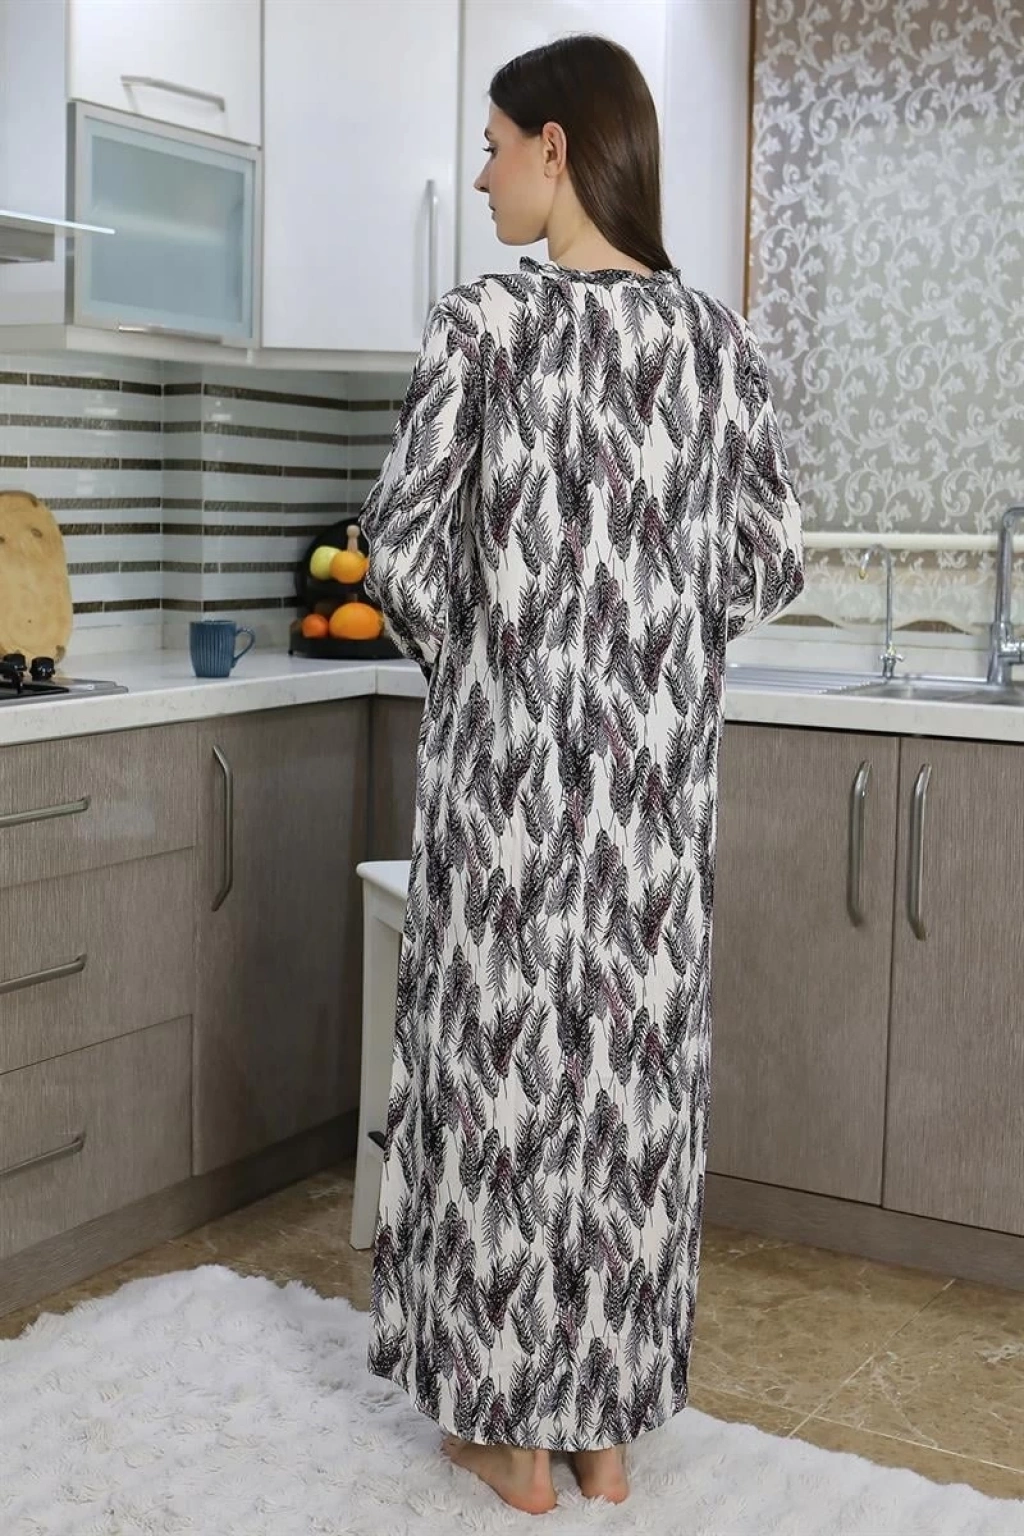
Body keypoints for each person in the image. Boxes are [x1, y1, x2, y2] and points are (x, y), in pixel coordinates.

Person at [359, 33, 804, 1517]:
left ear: (557, 147)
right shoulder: (717, 343)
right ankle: (606, 1432)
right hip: (654, 814)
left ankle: (510, 1438)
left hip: (508, 799)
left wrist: (502, 661)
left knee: (503, 1087)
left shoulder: (483, 325)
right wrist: (654, 654)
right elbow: (769, 560)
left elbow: (401, 553)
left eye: (494, 145)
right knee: (624, 1096)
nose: (482, 172)